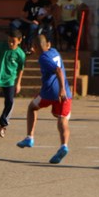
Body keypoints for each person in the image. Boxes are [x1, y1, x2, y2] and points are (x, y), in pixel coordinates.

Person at [16, 34, 72, 164]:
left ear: (34, 47)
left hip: (50, 93)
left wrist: (61, 88)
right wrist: (64, 90)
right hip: (66, 95)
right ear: (48, 45)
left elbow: (57, 70)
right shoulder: (54, 51)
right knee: (63, 120)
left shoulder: (43, 58)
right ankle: (64, 146)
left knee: (32, 107)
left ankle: (30, 137)